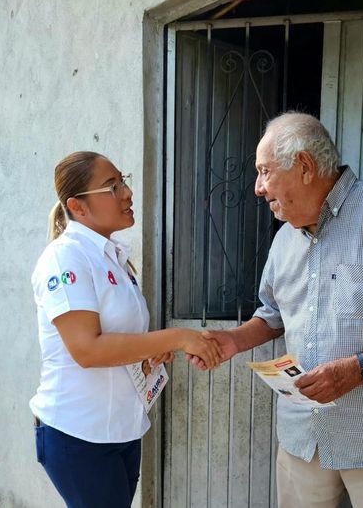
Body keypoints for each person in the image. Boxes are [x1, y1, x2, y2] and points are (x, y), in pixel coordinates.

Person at [190, 113, 363, 507]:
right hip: (303, 438)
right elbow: (273, 315)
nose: (258, 188)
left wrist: (358, 368)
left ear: (306, 167)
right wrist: (232, 340)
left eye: (264, 172)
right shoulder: (284, 240)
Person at [30, 151, 221, 508]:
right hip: (79, 432)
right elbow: (87, 349)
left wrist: (149, 352)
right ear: (79, 206)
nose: (128, 193)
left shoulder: (114, 258)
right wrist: (178, 337)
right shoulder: (65, 259)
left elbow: (122, 340)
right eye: (112, 187)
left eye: (124, 181)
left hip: (120, 427)